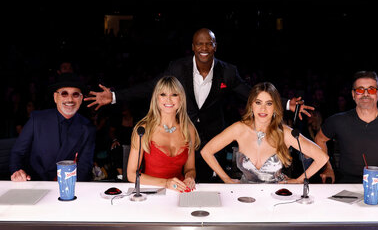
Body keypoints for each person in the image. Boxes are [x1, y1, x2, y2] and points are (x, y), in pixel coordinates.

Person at [85, 28, 313, 182]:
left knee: (200, 182)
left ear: (215, 46)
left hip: (212, 137)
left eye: (209, 43)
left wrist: (286, 104)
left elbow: (249, 92)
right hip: (183, 132)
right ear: (193, 47)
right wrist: (114, 96)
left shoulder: (228, 71)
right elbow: (151, 86)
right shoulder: (177, 68)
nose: (204, 47)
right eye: (199, 43)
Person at [200, 82, 328, 184]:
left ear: (275, 107)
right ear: (251, 105)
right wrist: (226, 179)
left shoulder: (285, 133)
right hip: (244, 197)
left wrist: (299, 180)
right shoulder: (239, 129)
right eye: (258, 102)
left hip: (275, 198)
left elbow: (322, 157)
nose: (263, 109)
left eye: (269, 104)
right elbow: (206, 151)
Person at [315, 71, 378, 183]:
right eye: (360, 90)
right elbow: (320, 139)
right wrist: (327, 167)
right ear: (353, 94)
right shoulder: (337, 120)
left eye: (371, 89)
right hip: (345, 182)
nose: (365, 94)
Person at [9, 72, 96, 181]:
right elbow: (17, 153)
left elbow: (84, 167)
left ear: (81, 98)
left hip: (68, 186)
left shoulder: (87, 128)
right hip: (35, 183)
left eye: (75, 94)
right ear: (55, 97)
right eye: (64, 93)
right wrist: (17, 172)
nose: (70, 99)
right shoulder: (37, 119)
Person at [126, 76, 200, 192]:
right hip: (151, 192)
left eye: (174, 95)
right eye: (163, 94)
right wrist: (166, 183)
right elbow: (131, 175)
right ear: (156, 98)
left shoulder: (189, 129)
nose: (169, 100)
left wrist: (190, 177)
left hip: (179, 191)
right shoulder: (143, 129)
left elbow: (190, 168)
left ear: (181, 98)